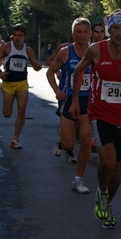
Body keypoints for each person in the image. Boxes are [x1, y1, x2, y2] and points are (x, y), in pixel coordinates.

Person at [69, 9, 121, 229]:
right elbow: (78, 71)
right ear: (109, 30)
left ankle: (105, 203)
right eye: (115, 28)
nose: (119, 33)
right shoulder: (96, 50)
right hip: (99, 113)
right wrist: (76, 101)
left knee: (117, 169)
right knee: (107, 161)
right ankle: (102, 189)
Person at [46, 17, 93, 194]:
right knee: (68, 144)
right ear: (73, 34)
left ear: (89, 33)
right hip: (68, 98)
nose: (82, 35)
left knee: (87, 141)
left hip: (88, 100)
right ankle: (64, 136)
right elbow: (50, 72)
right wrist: (57, 90)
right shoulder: (66, 52)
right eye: (78, 32)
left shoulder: (95, 51)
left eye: (85, 32)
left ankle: (78, 178)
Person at [0, 25, 43, 149]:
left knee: (21, 110)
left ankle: (15, 138)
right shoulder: (7, 47)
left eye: (20, 36)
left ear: (24, 37)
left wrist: (37, 66)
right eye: (15, 35)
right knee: (7, 113)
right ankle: (3, 90)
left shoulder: (28, 50)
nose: (17, 38)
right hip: (8, 84)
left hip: (22, 83)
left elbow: (35, 65)